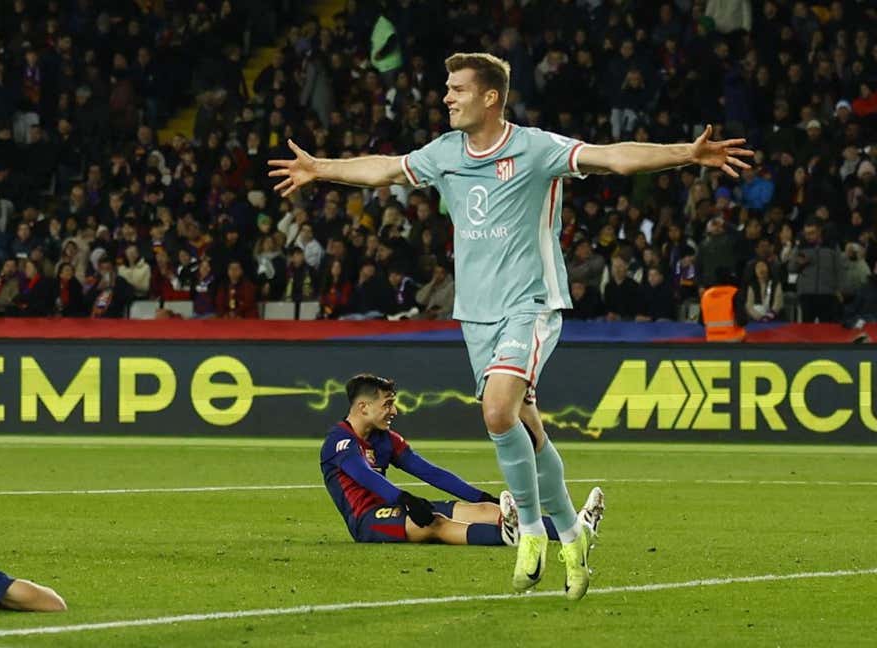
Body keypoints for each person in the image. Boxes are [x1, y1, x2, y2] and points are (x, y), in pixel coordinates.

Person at [271, 51, 750, 599]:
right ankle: (571, 534)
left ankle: (527, 531)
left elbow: (613, 158)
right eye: (446, 88)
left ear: (490, 97)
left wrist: (685, 154)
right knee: (526, 425)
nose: (446, 97)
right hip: (475, 316)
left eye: (457, 89)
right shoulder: (445, 153)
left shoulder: (535, 148)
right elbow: (383, 168)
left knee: (498, 411)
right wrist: (319, 168)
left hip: (531, 303)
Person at [320, 374, 604, 547]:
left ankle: (577, 529)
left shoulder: (385, 438)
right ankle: (505, 537)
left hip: (397, 504)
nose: (394, 410)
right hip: (367, 521)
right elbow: (365, 477)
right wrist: (405, 500)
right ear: (363, 407)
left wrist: (481, 495)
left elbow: (429, 472)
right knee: (434, 524)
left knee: (482, 509)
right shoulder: (339, 442)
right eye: (387, 404)